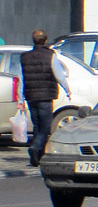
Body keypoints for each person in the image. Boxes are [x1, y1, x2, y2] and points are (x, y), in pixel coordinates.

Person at [19, 30, 70, 167]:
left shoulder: (25, 57)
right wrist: (67, 89)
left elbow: (21, 79)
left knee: (37, 126)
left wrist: (20, 99)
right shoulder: (50, 56)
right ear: (45, 40)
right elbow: (59, 75)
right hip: (46, 96)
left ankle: (36, 158)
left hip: (30, 96)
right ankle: (36, 148)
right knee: (45, 127)